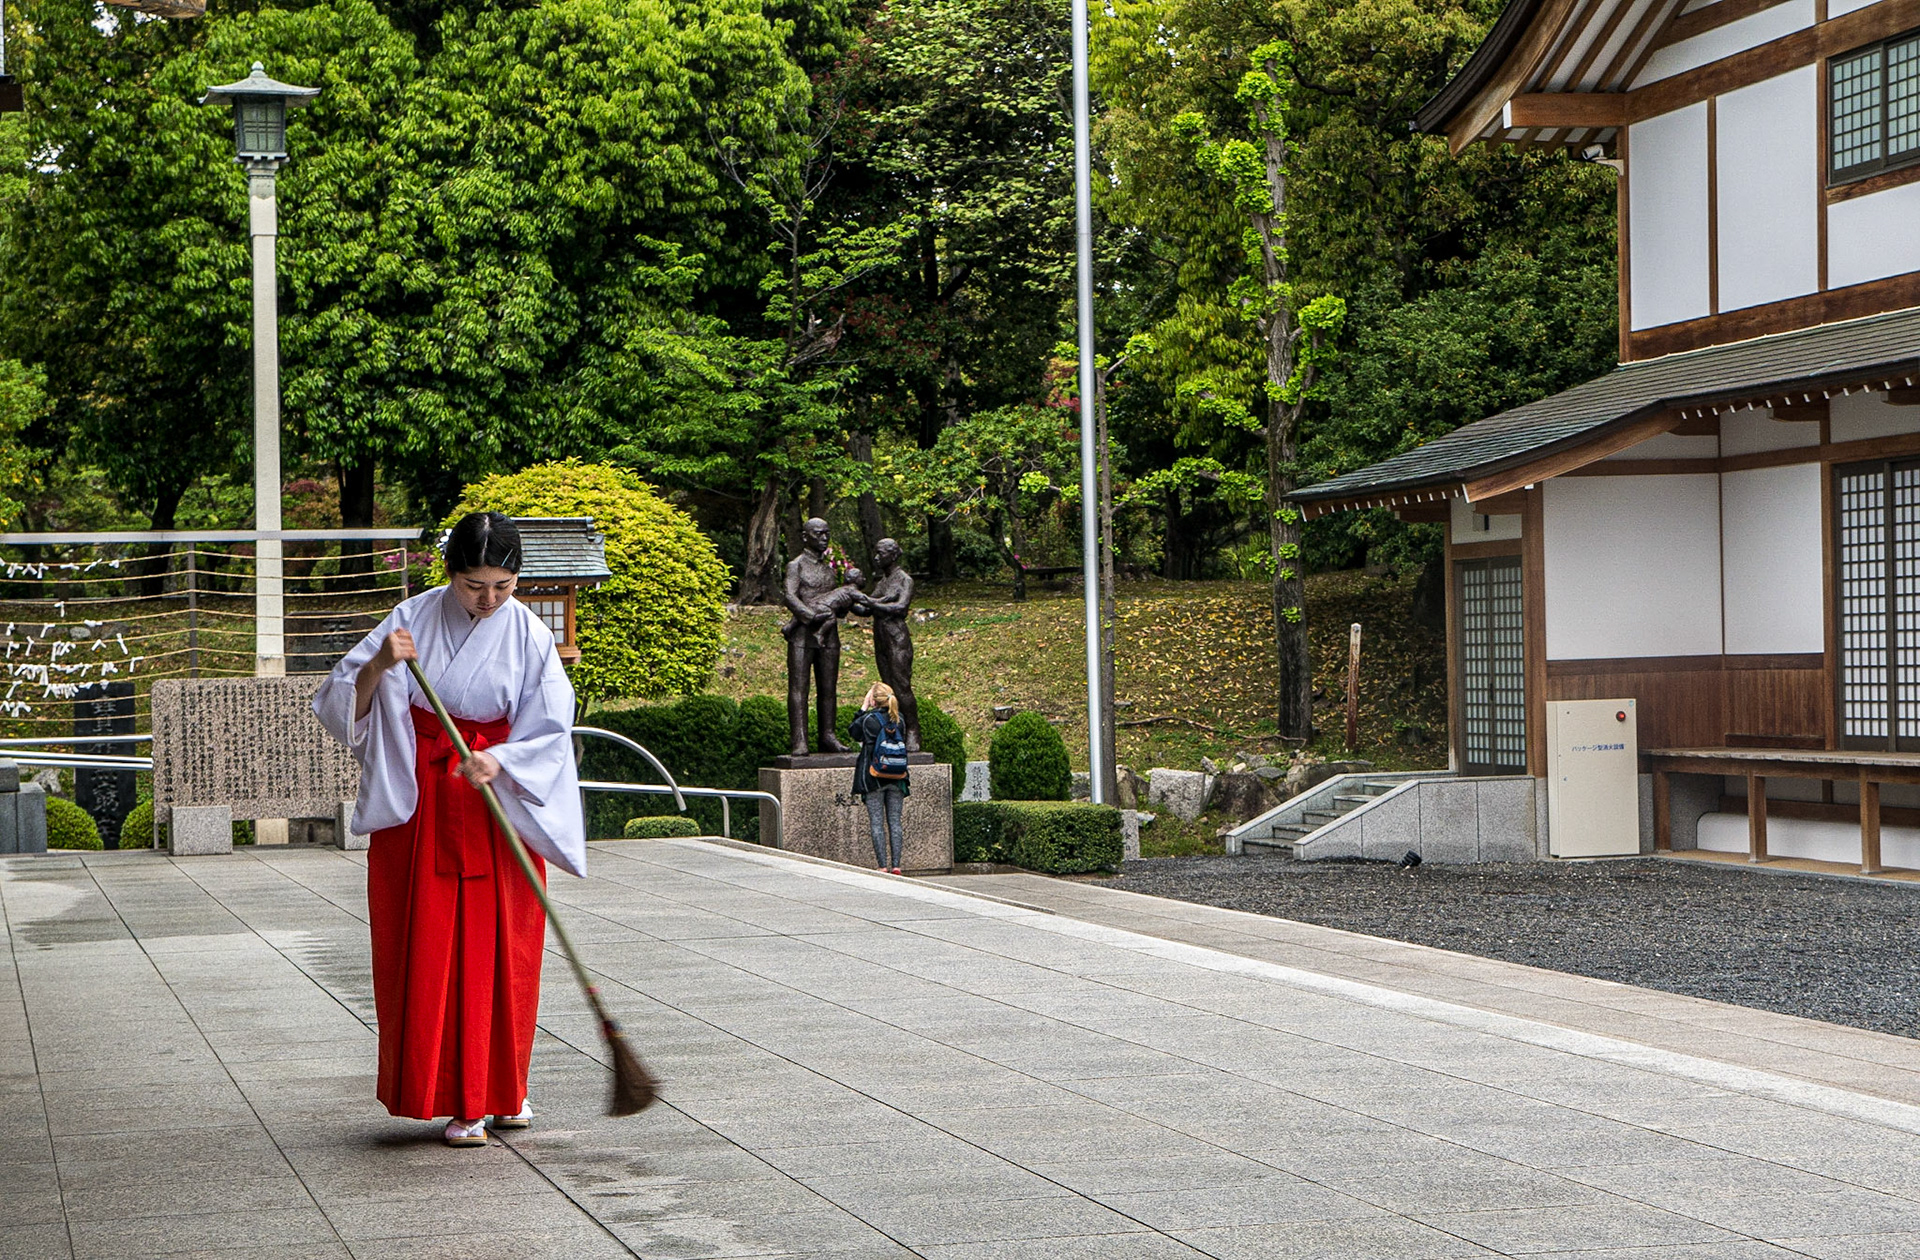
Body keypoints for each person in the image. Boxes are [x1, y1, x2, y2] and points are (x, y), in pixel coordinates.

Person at [313, 512, 587, 1148]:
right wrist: (381, 663)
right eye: (473, 585)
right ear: (448, 573)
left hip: (496, 806)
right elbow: (338, 700)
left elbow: (550, 727)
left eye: (502, 585)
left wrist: (503, 758)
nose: (488, 600)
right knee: (433, 948)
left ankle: (504, 1086)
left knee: (505, 951)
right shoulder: (410, 618)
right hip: (424, 804)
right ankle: (456, 1096)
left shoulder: (529, 635)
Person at [854, 538, 919, 751]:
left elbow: (900, 607)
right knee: (887, 686)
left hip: (897, 638)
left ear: (892, 555)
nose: (876, 558)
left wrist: (872, 602)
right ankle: (894, 726)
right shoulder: (882, 583)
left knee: (902, 686)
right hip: (881, 638)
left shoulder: (904, 580)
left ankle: (912, 730)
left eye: (880, 554)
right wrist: (847, 597)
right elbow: (866, 610)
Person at [851, 682, 910, 874]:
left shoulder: (869, 720)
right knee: (895, 821)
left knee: (876, 822)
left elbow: (853, 731)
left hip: (874, 777)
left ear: (874, 700)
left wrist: (864, 707)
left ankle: (882, 866)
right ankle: (896, 865)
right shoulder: (899, 719)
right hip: (897, 777)